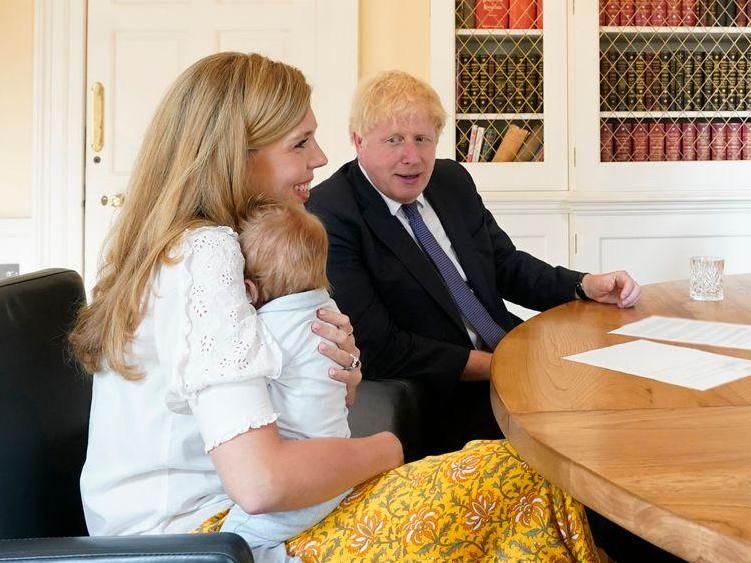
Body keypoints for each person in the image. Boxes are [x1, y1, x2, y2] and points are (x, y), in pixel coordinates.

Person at [71, 52, 600, 562]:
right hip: (206, 538)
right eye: (300, 143)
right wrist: (387, 450)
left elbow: (240, 418)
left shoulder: (187, 244)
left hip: (220, 519)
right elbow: (262, 481)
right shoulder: (207, 253)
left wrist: (330, 383)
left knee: (515, 474)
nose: (320, 159)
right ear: (236, 154)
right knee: (520, 478)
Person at [307, 70, 642, 455]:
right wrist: (503, 365)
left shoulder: (451, 180)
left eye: (422, 140)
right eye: (394, 141)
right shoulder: (330, 215)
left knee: (620, 406)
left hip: (510, 354)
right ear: (358, 141)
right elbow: (382, 347)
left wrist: (583, 284)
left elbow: (504, 265)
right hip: (443, 393)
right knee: (580, 440)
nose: (412, 158)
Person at [226, 196, 351, 558]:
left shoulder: (266, 331)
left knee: (236, 537)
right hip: (336, 464)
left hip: (300, 481)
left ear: (248, 290)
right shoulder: (328, 310)